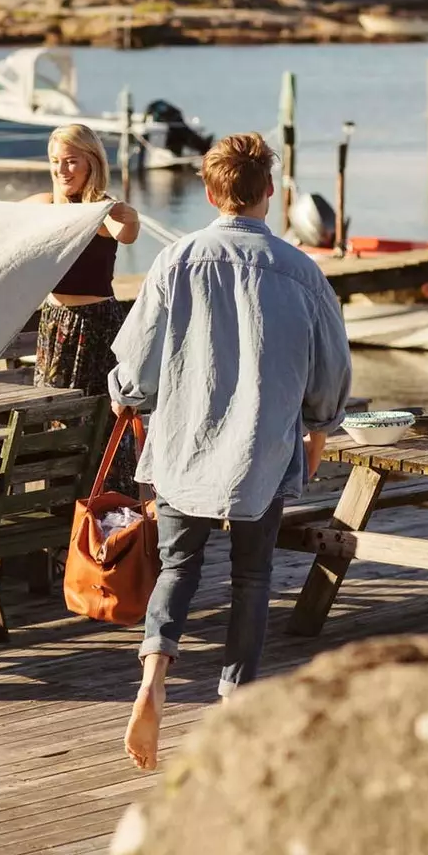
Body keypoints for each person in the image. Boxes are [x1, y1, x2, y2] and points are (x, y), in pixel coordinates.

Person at [108, 132, 352, 771]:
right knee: (251, 577)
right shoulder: (302, 271)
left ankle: (154, 676)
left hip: (183, 443)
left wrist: (128, 395)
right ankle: (233, 703)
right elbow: (330, 367)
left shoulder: (178, 260)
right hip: (263, 448)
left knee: (177, 567)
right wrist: (319, 426)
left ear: (212, 192)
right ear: (269, 192)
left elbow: (136, 364)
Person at [24, 123, 141, 491]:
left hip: (96, 326)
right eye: (56, 161)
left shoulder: (102, 208)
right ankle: (60, 508)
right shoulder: (44, 206)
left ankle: (111, 509)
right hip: (55, 324)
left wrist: (128, 217)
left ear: (91, 162)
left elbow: (127, 232)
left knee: (100, 420)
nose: (62, 170)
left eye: (72, 161)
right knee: (54, 415)